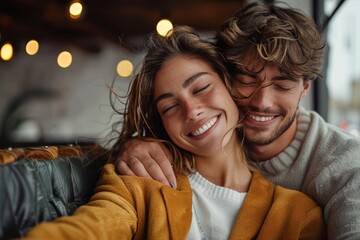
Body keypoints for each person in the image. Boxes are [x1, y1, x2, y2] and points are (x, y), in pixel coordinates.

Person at [23, 26, 325, 240]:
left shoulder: (298, 216)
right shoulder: (139, 183)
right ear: (163, 123)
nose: (191, 111)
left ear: (230, 88)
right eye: (170, 107)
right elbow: (94, 227)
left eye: (202, 88)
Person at [115, 1, 360, 239]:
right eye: (247, 80)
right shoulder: (212, 136)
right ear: (226, 78)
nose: (262, 101)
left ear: (305, 89)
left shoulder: (346, 165)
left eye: (282, 85)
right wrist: (134, 144)